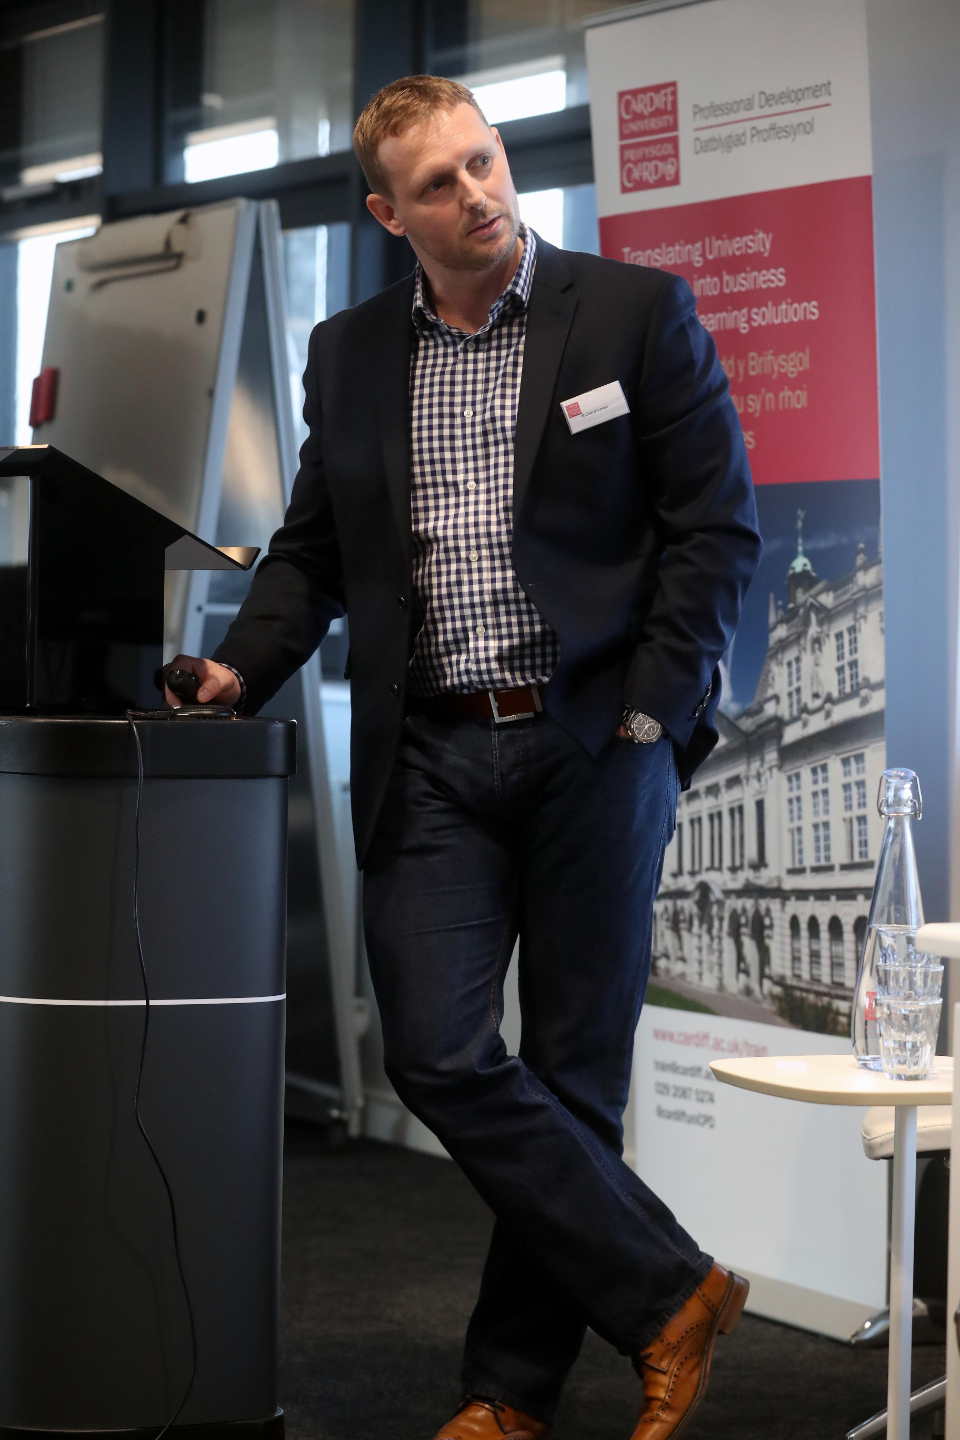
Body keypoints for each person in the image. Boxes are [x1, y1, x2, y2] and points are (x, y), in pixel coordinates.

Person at [165, 75, 762, 1440]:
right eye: (439, 182)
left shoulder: (633, 313)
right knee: (436, 1052)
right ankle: (673, 1292)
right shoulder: (349, 353)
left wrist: (652, 713)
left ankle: (509, 1396)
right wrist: (239, 668)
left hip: (594, 737)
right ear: (390, 214)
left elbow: (715, 527)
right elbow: (315, 547)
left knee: (574, 1074)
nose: (479, 193)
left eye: (485, 161)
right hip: (432, 750)